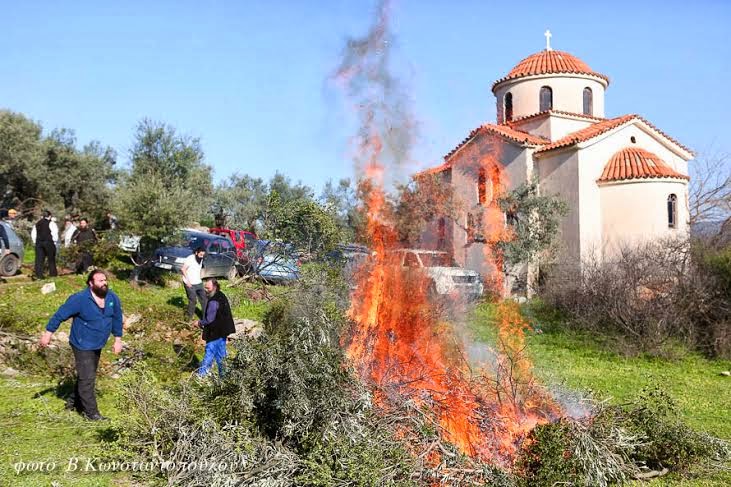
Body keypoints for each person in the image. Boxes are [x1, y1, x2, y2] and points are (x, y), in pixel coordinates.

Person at [39, 269, 123, 420]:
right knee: (88, 377)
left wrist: (118, 339)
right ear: (91, 283)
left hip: (98, 343)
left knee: (85, 375)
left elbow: (117, 318)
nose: (104, 283)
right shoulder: (79, 299)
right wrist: (48, 334)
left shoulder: (112, 298)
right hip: (82, 343)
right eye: (100, 281)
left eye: (105, 280)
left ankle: (73, 403)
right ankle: (92, 414)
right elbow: (60, 315)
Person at [197, 278, 235, 377]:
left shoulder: (214, 301)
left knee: (209, 353)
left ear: (214, 287)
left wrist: (199, 323)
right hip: (222, 331)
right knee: (221, 355)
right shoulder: (221, 295)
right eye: (205, 288)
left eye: (208, 288)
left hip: (215, 332)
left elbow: (209, 319)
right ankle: (224, 376)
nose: (206, 290)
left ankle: (201, 376)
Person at [181, 246, 207, 320]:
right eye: (200, 255)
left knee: (204, 300)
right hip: (189, 283)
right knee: (193, 300)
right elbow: (183, 269)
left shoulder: (200, 259)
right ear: (196, 253)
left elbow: (198, 269)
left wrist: (201, 279)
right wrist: (188, 281)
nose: (202, 256)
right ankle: (188, 318)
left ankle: (206, 318)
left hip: (198, 282)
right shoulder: (190, 258)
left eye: (203, 255)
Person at [31, 210, 59, 278]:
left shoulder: (37, 224)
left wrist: (36, 242)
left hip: (39, 243)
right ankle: (53, 274)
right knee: (51, 259)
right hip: (48, 242)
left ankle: (39, 275)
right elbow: (54, 233)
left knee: (39, 260)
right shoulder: (51, 223)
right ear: (49, 216)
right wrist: (54, 242)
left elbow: (33, 234)